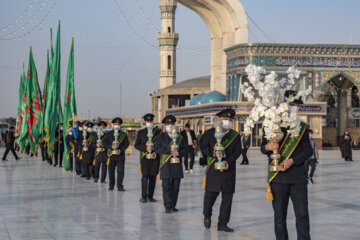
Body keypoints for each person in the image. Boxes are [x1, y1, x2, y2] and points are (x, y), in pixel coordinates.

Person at [261, 90, 313, 240]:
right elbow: (262, 147)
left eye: (297, 106)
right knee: (279, 217)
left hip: (297, 178)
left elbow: (308, 150)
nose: (294, 108)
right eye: (292, 104)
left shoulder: (301, 127)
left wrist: (293, 161)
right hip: (278, 178)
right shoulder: (271, 123)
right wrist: (268, 147)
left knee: (302, 216)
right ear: (283, 105)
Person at [201, 109, 242, 232]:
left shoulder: (234, 136)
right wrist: (213, 153)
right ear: (218, 120)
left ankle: (223, 224)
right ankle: (207, 215)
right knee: (210, 198)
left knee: (227, 199)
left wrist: (228, 162)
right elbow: (203, 147)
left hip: (229, 171)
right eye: (224, 119)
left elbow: (237, 152)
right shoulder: (209, 133)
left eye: (229, 120)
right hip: (213, 170)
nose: (227, 121)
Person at [154, 115, 188, 213]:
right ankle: (168, 206)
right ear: (164, 126)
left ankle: (173, 205)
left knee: (176, 186)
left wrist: (179, 153)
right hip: (166, 164)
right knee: (166, 186)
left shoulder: (180, 137)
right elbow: (157, 149)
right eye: (168, 124)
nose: (170, 126)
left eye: (172, 124)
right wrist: (169, 149)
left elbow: (186, 149)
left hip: (177, 164)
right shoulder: (160, 137)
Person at [134, 113, 162, 203]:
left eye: (150, 121)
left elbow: (161, 145)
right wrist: (145, 148)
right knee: (145, 176)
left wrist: (155, 151)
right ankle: (143, 196)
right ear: (145, 122)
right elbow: (136, 145)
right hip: (145, 158)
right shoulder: (141, 132)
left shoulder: (158, 132)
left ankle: (151, 196)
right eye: (147, 121)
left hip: (155, 158)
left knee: (153, 177)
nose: (149, 122)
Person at [103, 117, 129, 191]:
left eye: (118, 124)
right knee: (111, 171)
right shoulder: (109, 133)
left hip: (120, 155)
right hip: (111, 155)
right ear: (113, 124)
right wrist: (111, 147)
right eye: (115, 124)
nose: (117, 125)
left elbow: (126, 144)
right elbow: (105, 142)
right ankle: (111, 185)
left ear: (120, 125)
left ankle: (120, 186)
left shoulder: (123, 134)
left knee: (120, 172)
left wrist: (121, 149)